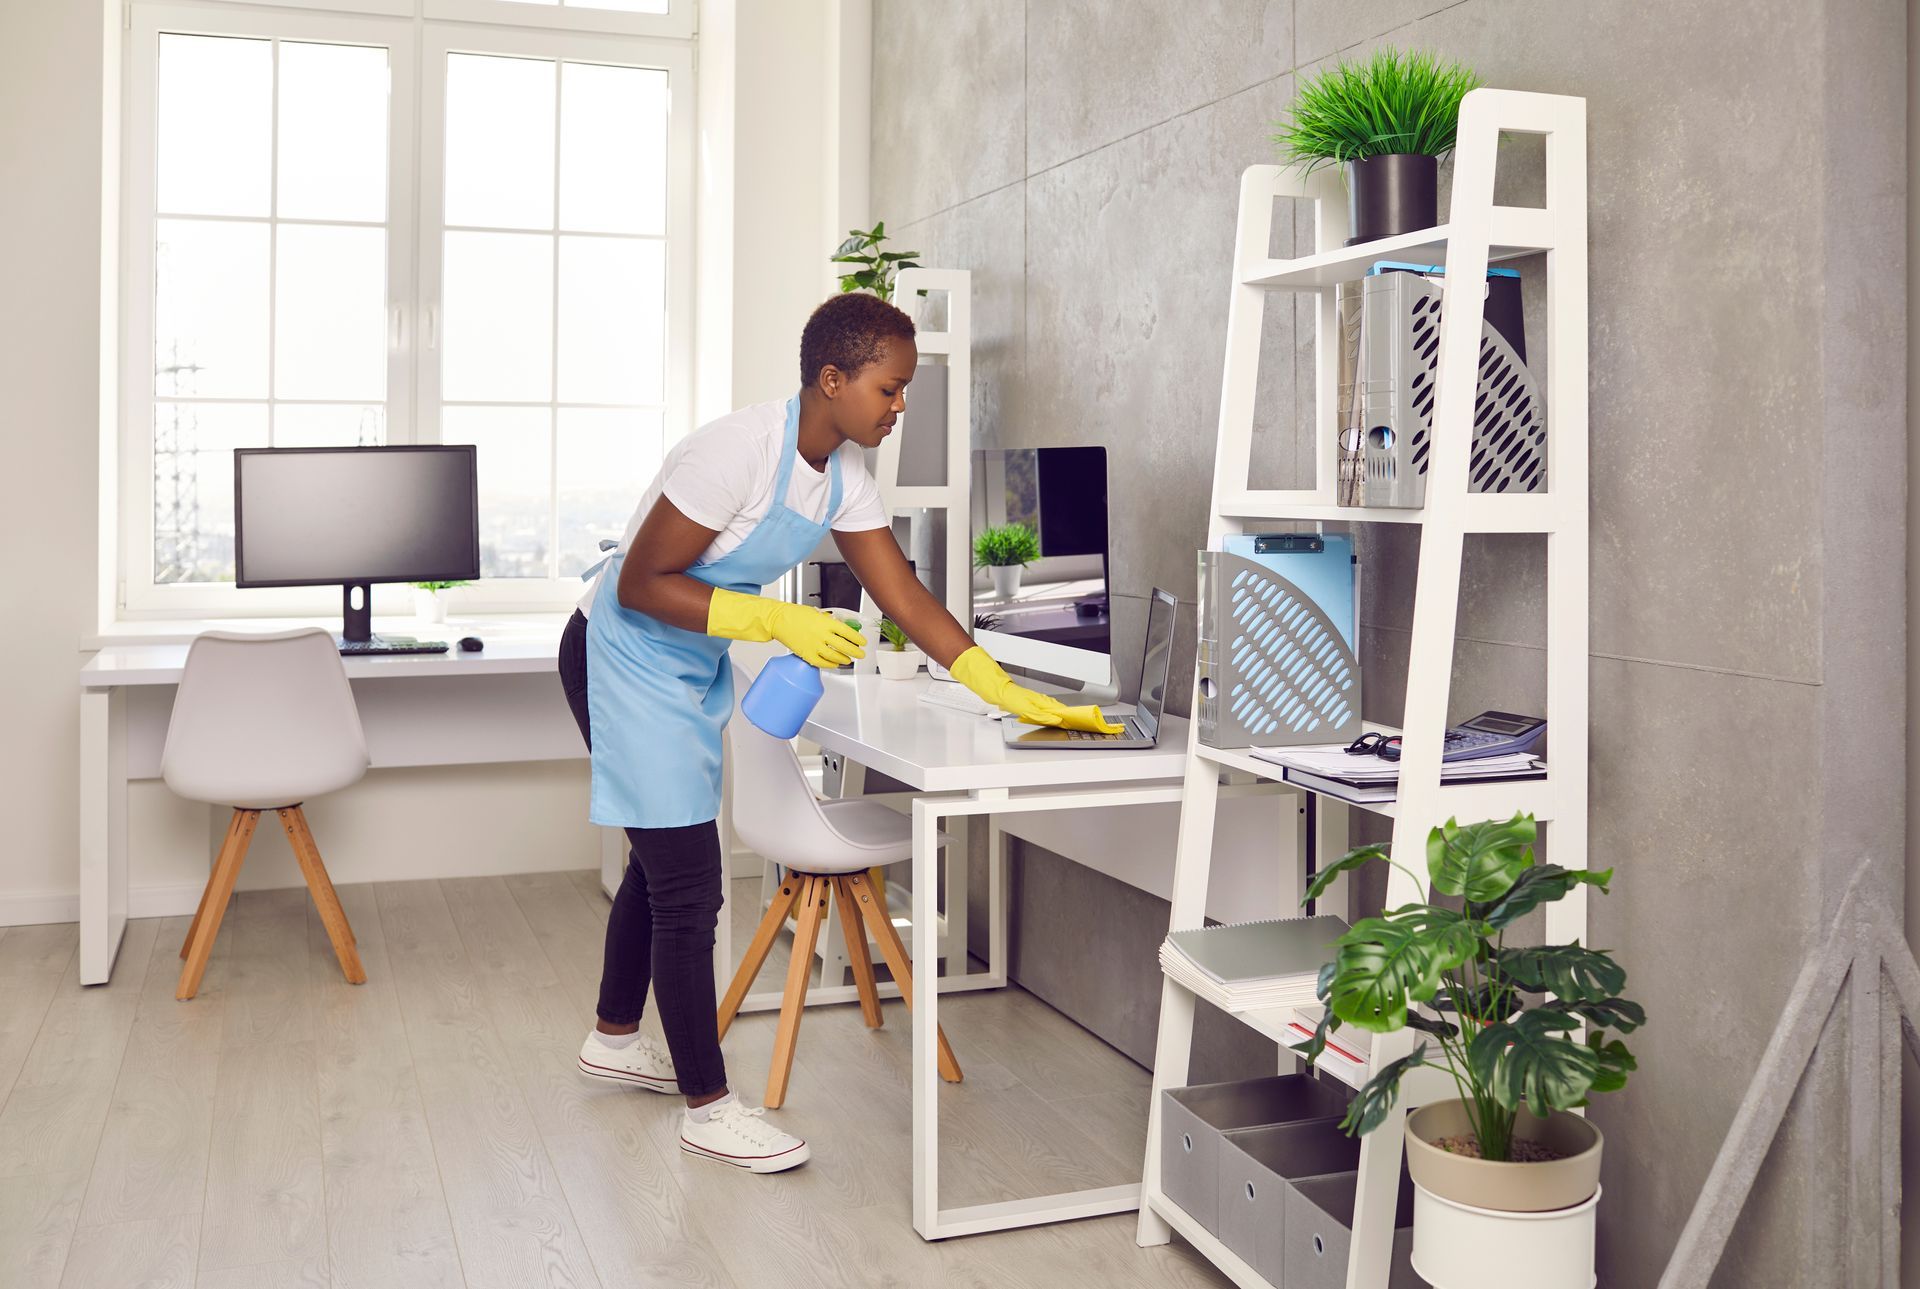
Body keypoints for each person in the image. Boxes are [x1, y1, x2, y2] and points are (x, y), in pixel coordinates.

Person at [557, 291, 1117, 1173]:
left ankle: (615, 1037)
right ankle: (709, 1106)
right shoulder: (733, 452)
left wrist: (999, 684)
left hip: (687, 659)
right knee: (688, 882)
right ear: (833, 379)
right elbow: (639, 583)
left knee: (663, 859)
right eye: (891, 390)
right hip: (621, 653)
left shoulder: (846, 477)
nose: (900, 408)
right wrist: (775, 623)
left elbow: (903, 594)